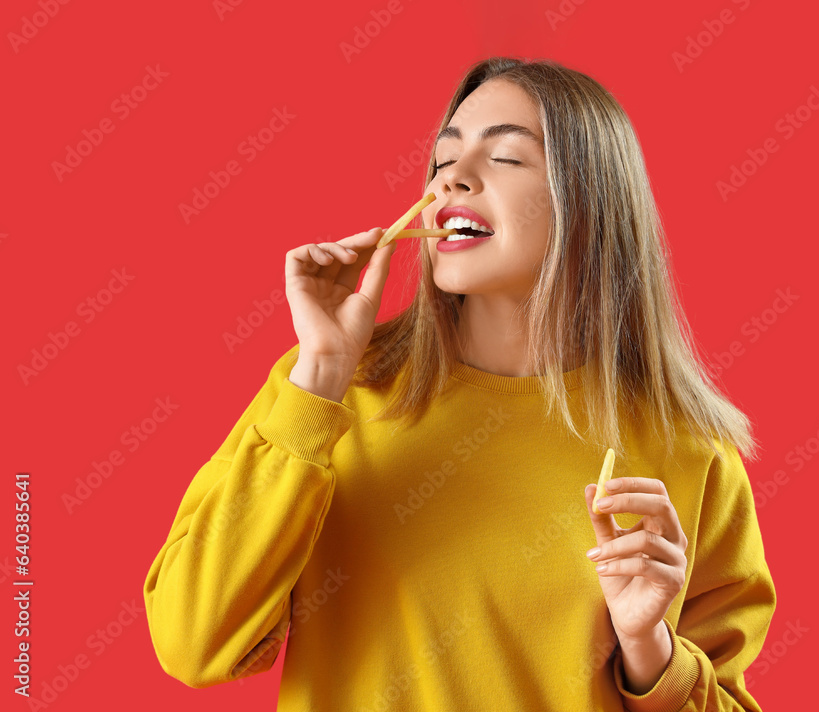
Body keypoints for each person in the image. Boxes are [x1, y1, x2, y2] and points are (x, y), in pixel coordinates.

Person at [143, 56, 777, 711]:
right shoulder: (328, 394)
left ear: (589, 198)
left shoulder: (690, 450)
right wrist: (320, 377)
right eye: (444, 162)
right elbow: (192, 642)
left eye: (504, 158)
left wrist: (651, 653)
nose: (452, 182)